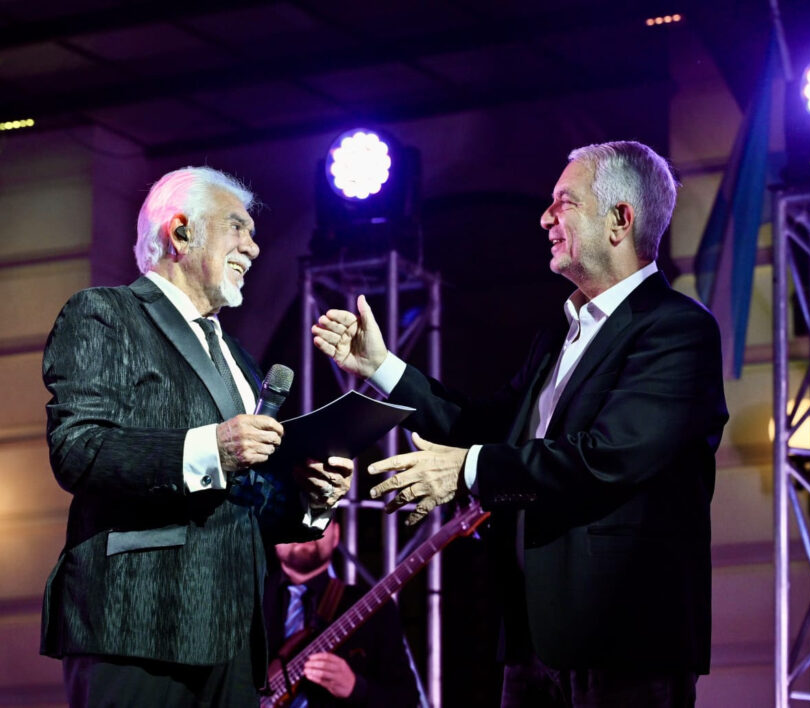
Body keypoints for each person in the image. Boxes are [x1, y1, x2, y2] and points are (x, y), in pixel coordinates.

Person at [311, 141, 728, 706]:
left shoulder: (677, 329)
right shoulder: (557, 337)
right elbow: (484, 425)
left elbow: (608, 456)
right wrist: (380, 366)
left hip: (625, 642)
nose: (544, 217)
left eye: (563, 202)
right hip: (532, 643)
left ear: (620, 220)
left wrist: (466, 470)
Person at [41, 166, 354, 708]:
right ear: (180, 233)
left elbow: (250, 501)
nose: (254, 249)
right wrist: (214, 447)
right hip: (139, 624)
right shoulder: (105, 314)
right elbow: (79, 449)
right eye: (238, 229)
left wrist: (312, 499)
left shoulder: (240, 359)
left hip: (236, 642)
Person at [264, 522, 421, 707]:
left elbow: (407, 701)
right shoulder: (237, 604)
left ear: (336, 534)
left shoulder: (376, 608)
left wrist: (356, 688)